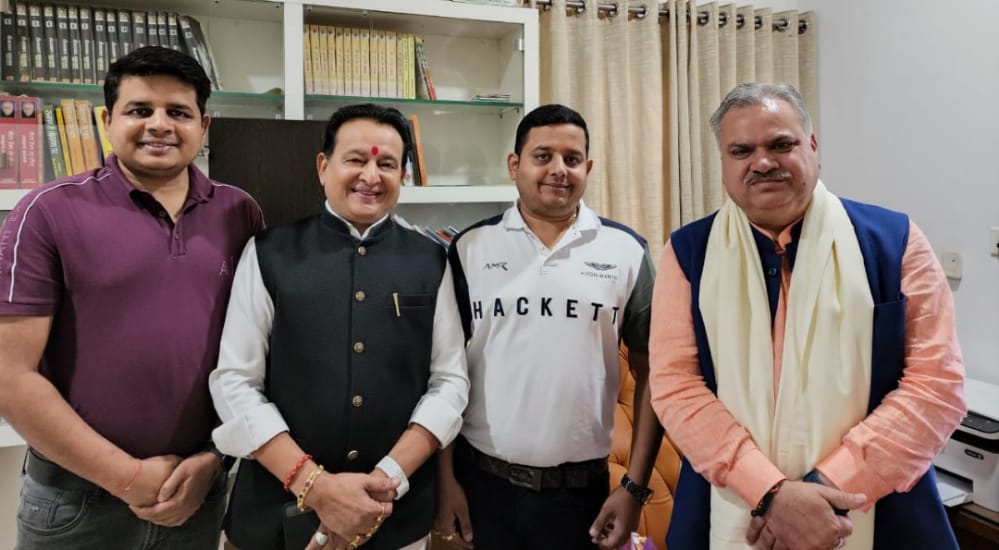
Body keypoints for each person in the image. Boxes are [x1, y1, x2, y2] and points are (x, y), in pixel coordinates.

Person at [649, 82, 967, 550]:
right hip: (726, 504)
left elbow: (937, 386)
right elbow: (676, 386)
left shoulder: (896, 242)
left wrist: (827, 490)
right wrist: (770, 494)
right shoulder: (686, 253)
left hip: (879, 510)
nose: (762, 162)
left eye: (781, 144)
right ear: (723, 163)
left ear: (813, 146)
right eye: (741, 151)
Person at [0, 45, 263, 549]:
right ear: (107, 120)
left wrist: (215, 460)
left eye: (178, 112)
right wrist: (126, 477)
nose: (159, 125)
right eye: (140, 110)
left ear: (204, 126)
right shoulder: (46, 212)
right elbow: (11, 377)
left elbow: (253, 354)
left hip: (198, 492)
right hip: (76, 504)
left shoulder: (240, 212)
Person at [209, 102, 469, 550]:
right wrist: (315, 486)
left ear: (403, 175)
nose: (371, 175)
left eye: (387, 164)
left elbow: (449, 382)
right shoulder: (270, 253)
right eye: (356, 159)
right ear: (323, 166)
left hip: (395, 510)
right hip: (277, 509)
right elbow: (235, 381)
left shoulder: (430, 259)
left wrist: (387, 478)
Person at [436, 103, 664, 549]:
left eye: (572, 158)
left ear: (588, 168)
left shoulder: (626, 251)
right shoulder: (469, 248)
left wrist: (634, 489)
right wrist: (445, 482)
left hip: (580, 495)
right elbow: (443, 372)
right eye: (543, 156)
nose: (559, 169)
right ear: (514, 165)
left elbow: (654, 372)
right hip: (482, 485)